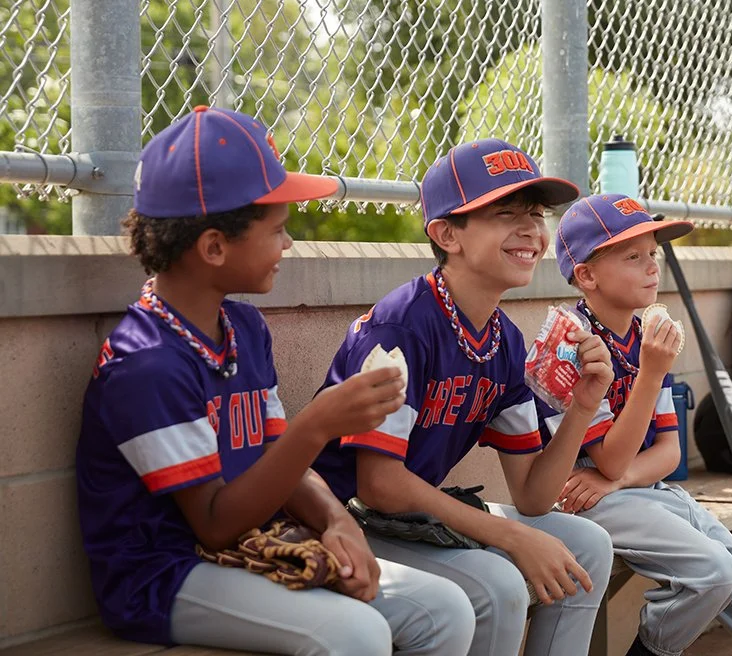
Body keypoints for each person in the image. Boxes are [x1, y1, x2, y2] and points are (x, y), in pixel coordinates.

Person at [76, 106, 474, 656]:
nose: (287, 246)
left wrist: (337, 521)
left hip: (253, 540)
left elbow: (276, 457)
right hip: (164, 576)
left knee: (443, 610)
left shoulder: (242, 326)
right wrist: (317, 425)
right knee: (354, 634)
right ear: (214, 247)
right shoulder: (145, 362)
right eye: (278, 230)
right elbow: (212, 524)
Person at [311, 139, 615, 656]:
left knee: (589, 544)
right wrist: (512, 538)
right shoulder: (402, 327)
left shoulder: (503, 338)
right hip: (343, 516)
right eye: (505, 213)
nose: (531, 231)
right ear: (446, 233)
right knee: (496, 584)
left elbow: (534, 497)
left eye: (536, 214)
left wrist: (583, 406)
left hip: (403, 516)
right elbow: (378, 484)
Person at [543, 193, 732, 656]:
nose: (651, 267)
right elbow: (610, 458)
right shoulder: (573, 344)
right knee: (712, 571)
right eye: (632, 256)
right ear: (587, 275)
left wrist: (619, 480)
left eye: (652, 254)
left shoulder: (643, 334)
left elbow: (668, 454)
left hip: (631, 490)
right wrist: (652, 372)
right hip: (583, 502)